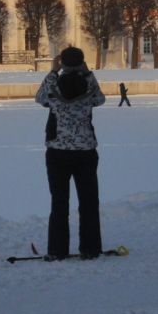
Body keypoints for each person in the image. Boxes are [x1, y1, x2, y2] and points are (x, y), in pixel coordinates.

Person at [35, 46, 105, 260]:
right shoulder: (88, 85)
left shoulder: (54, 85)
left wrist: (53, 71)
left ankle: (57, 250)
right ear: (82, 63)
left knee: (59, 202)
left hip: (58, 151)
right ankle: (90, 249)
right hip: (85, 150)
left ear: (62, 62)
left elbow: (39, 98)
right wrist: (88, 73)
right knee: (89, 201)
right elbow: (100, 99)